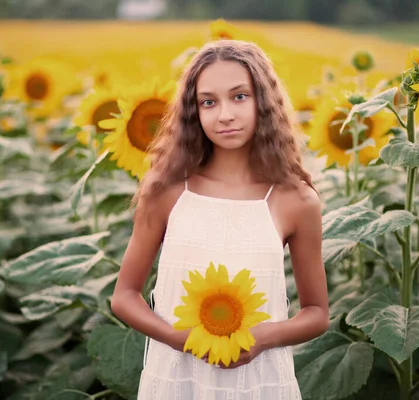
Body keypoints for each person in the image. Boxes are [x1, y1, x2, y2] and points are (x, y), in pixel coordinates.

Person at [110, 39, 329, 400]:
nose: (224, 114)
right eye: (208, 102)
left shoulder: (296, 201)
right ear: (193, 111)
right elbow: (124, 297)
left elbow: (317, 312)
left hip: (258, 383)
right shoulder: (166, 191)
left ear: (264, 101)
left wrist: (263, 338)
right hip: (175, 380)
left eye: (239, 96)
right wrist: (179, 340)